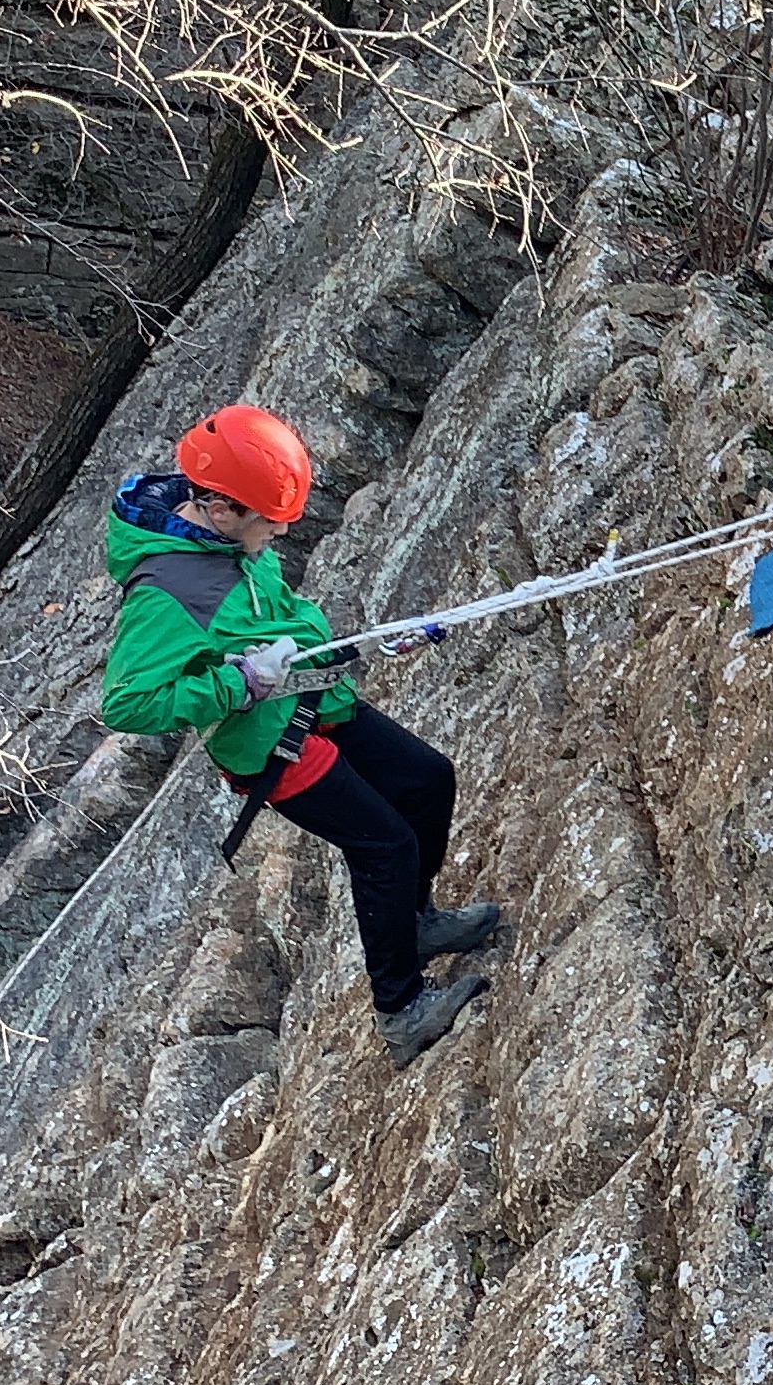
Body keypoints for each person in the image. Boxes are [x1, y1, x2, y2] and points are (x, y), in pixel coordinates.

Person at [102, 403, 499, 1066]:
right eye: (270, 521)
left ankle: (418, 923)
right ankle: (400, 1011)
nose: (278, 532)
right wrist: (236, 685)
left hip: (311, 697)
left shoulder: (225, 538)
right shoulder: (166, 593)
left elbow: (276, 618)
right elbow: (128, 704)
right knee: (385, 847)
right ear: (222, 508)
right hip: (268, 747)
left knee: (427, 780)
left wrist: (347, 648)